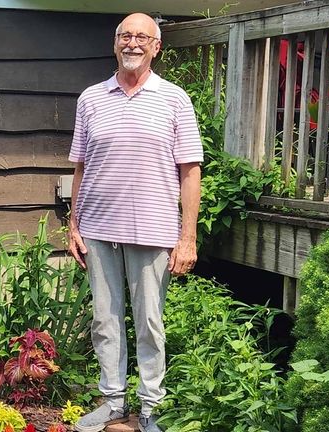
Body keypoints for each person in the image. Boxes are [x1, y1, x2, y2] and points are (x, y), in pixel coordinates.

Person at [67, 13, 203, 432]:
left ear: (156, 47)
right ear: (115, 44)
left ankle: (149, 409)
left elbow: (190, 170)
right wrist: (74, 226)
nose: (133, 43)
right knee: (105, 321)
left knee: (148, 323)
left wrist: (188, 237)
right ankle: (112, 402)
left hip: (153, 229)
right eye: (125, 35)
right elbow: (80, 167)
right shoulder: (91, 99)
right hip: (98, 231)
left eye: (142, 37)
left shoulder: (175, 99)